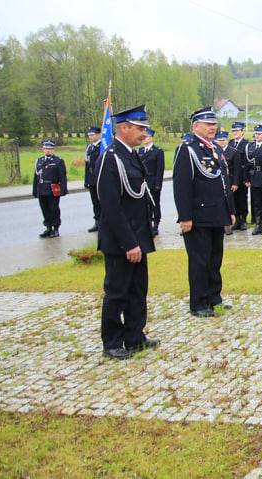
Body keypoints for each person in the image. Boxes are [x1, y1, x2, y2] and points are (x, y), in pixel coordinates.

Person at [95, 104, 158, 360]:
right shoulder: (110, 158)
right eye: (140, 128)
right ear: (124, 128)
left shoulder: (131, 155)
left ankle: (134, 337)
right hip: (121, 242)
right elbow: (110, 207)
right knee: (117, 292)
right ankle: (112, 341)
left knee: (137, 290)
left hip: (137, 238)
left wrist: (145, 236)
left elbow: (140, 199)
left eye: (144, 128)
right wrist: (129, 243)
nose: (144, 133)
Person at [173, 106, 236, 318]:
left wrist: (230, 211)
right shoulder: (188, 149)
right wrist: (185, 217)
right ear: (196, 126)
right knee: (199, 261)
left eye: (213, 124)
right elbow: (181, 186)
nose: (212, 127)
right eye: (208, 124)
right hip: (198, 216)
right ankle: (198, 303)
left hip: (217, 214)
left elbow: (224, 182)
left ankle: (214, 297)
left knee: (215, 258)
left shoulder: (215, 149)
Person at [33, 140, 68, 238]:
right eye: (46, 149)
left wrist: (63, 189)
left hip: (52, 188)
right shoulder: (39, 161)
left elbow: (62, 176)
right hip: (42, 188)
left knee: (54, 209)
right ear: (43, 149)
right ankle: (48, 228)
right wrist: (35, 190)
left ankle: (56, 228)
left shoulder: (58, 161)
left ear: (53, 150)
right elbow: (35, 177)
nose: (48, 151)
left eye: (50, 149)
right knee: (45, 209)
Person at [138, 128, 165, 236]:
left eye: (147, 137)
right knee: (145, 205)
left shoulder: (157, 151)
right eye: (143, 137)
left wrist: (158, 184)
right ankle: (147, 224)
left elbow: (160, 169)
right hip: (143, 183)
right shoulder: (139, 151)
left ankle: (156, 224)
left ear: (151, 137)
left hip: (153, 181)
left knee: (155, 204)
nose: (145, 139)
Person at [215, 131, 242, 236]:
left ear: (227, 140)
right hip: (218, 182)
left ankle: (229, 225)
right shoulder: (214, 151)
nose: (221, 142)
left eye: (223, 140)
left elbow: (237, 169)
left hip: (229, 181)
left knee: (230, 203)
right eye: (219, 140)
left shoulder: (233, 152)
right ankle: (220, 225)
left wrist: (235, 183)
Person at [229, 122, 250, 230]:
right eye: (233, 131)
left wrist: (246, 178)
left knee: (242, 198)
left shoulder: (246, 144)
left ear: (242, 132)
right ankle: (236, 219)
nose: (235, 133)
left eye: (237, 131)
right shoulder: (230, 143)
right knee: (233, 199)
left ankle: (243, 220)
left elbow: (247, 162)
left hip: (242, 175)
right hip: (232, 177)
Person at [84, 126, 102, 232]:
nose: (91, 136)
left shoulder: (102, 146)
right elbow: (87, 165)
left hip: (100, 176)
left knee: (102, 201)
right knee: (95, 201)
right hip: (92, 178)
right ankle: (97, 221)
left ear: (98, 134)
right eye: (89, 135)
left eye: (93, 134)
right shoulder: (89, 147)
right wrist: (86, 180)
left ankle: (104, 222)